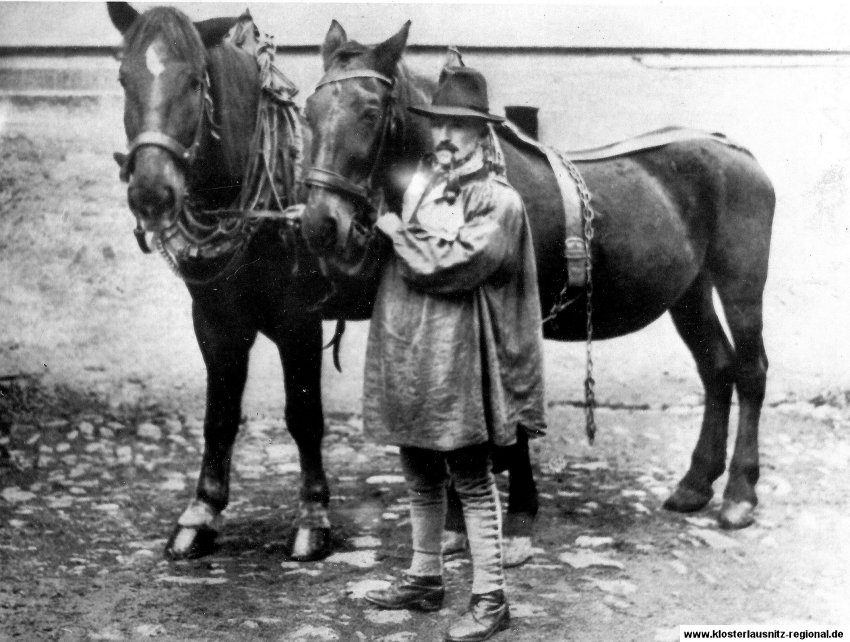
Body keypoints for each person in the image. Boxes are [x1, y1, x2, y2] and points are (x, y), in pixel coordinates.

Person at [361, 65, 546, 642]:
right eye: (439, 123)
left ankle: (491, 599)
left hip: (460, 358)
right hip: (412, 352)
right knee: (418, 468)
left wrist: (394, 233)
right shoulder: (420, 186)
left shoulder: (499, 201)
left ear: (482, 134)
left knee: (469, 476)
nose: (445, 136)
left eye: (459, 127)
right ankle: (424, 578)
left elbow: (456, 262)